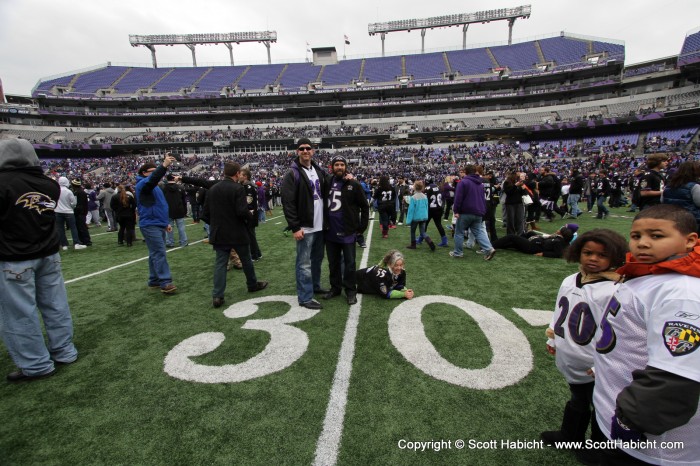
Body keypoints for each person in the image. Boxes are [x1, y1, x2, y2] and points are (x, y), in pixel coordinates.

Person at [592, 205, 700, 465]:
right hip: (615, 403)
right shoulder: (654, 275)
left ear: (690, 241)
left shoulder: (682, 293)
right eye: (637, 236)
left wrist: (630, 420)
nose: (643, 243)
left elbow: (676, 376)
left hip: (652, 443)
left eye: (656, 236)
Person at [541, 229, 628, 464]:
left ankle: (599, 448)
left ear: (615, 257)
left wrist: (604, 364)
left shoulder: (616, 290)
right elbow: (560, 311)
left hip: (597, 362)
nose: (593, 259)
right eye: (588, 252)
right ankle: (571, 435)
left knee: (602, 407)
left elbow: (618, 331)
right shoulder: (570, 280)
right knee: (577, 398)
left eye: (602, 255)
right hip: (573, 354)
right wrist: (553, 338)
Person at [0, 139, 78, 382]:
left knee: (20, 313)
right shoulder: (49, 184)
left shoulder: (3, 183)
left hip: (14, 257)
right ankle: (64, 351)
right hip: (48, 253)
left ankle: (35, 365)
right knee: (56, 305)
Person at [203, 162, 268, 308]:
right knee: (246, 260)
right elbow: (241, 211)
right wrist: (250, 218)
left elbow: (205, 214)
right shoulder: (238, 188)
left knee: (220, 264)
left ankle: (217, 296)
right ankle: (252, 284)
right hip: (237, 231)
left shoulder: (213, 189)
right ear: (237, 173)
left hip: (219, 233)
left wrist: (216, 224)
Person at [281, 138, 330, 310]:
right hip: (305, 227)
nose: (305, 151)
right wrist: (295, 227)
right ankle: (304, 297)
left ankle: (315, 286)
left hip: (319, 225)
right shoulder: (291, 173)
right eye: (301, 148)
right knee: (304, 263)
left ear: (313, 151)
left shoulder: (319, 170)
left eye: (308, 148)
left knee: (317, 259)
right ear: (297, 151)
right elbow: (288, 203)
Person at [322, 155, 369, 305]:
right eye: (337, 165)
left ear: (346, 167)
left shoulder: (353, 184)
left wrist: (362, 227)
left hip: (348, 231)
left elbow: (364, 206)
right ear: (332, 167)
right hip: (330, 231)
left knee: (349, 263)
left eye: (342, 165)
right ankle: (335, 288)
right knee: (333, 263)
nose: (340, 167)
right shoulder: (327, 182)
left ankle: (350, 290)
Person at [135, 155, 177, 294]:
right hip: (150, 223)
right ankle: (165, 281)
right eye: (151, 171)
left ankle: (154, 280)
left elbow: (160, 205)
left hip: (157, 222)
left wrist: (165, 222)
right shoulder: (143, 185)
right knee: (159, 252)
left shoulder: (155, 187)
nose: (154, 173)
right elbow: (153, 180)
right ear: (143, 173)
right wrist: (163, 166)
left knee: (155, 253)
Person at [449, 165, 496, 260]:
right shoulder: (480, 183)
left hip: (466, 211)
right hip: (479, 212)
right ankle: (489, 249)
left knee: (459, 232)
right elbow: (483, 199)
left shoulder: (463, 182)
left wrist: (456, 211)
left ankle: (458, 252)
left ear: (466, 171)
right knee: (479, 232)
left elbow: (458, 198)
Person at [492, 224, 577, 258]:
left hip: (533, 247)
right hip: (536, 242)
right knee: (515, 242)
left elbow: (558, 254)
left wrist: (543, 254)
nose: (558, 230)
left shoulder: (559, 242)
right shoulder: (558, 238)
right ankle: (498, 244)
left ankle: (490, 246)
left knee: (512, 237)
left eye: (560, 230)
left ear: (562, 233)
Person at [662, 160, 700, 233]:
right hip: (691, 220)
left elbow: (662, 201)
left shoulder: (668, 186)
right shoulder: (694, 187)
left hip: (672, 219)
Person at [54, 176, 87, 250]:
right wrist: (71, 207)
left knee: (60, 228)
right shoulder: (69, 191)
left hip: (58, 211)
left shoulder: (56, 190)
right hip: (68, 211)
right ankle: (76, 243)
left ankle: (64, 245)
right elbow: (74, 203)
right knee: (73, 228)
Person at [239, 167, 262, 261]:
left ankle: (254, 255)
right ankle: (258, 253)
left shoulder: (248, 187)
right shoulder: (248, 185)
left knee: (250, 236)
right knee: (251, 235)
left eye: (240, 174)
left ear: (245, 176)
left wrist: (246, 214)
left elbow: (249, 203)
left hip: (250, 214)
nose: (239, 176)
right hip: (250, 213)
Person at [405, 180, 435, 251]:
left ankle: (413, 245)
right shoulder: (424, 196)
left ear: (415, 187)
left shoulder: (413, 197)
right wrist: (426, 215)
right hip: (423, 217)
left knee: (413, 231)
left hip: (416, 217)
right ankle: (430, 242)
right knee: (423, 232)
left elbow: (411, 210)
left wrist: (408, 220)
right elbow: (426, 207)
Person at [163, 174, 189, 248]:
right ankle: (183, 241)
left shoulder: (164, 188)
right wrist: (185, 210)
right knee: (181, 227)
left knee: (169, 227)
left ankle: (170, 242)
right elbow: (184, 200)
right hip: (179, 209)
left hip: (168, 210)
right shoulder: (180, 187)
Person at [424, 178, 448, 246]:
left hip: (430, 209)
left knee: (425, 224)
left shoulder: (427, 188)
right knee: (439, 224)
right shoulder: (438, 187)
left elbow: (425, 199)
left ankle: (421, 238)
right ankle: (444, 240)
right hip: (439, 208)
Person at [71, 179, 92, 246]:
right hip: (82, 212)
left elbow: (76, 204)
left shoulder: (77, 192)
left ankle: (86, 240)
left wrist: (76, 211)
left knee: (81, 227)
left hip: (79, 212)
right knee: (82, 227)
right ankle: (86, 240)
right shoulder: (81, 192)